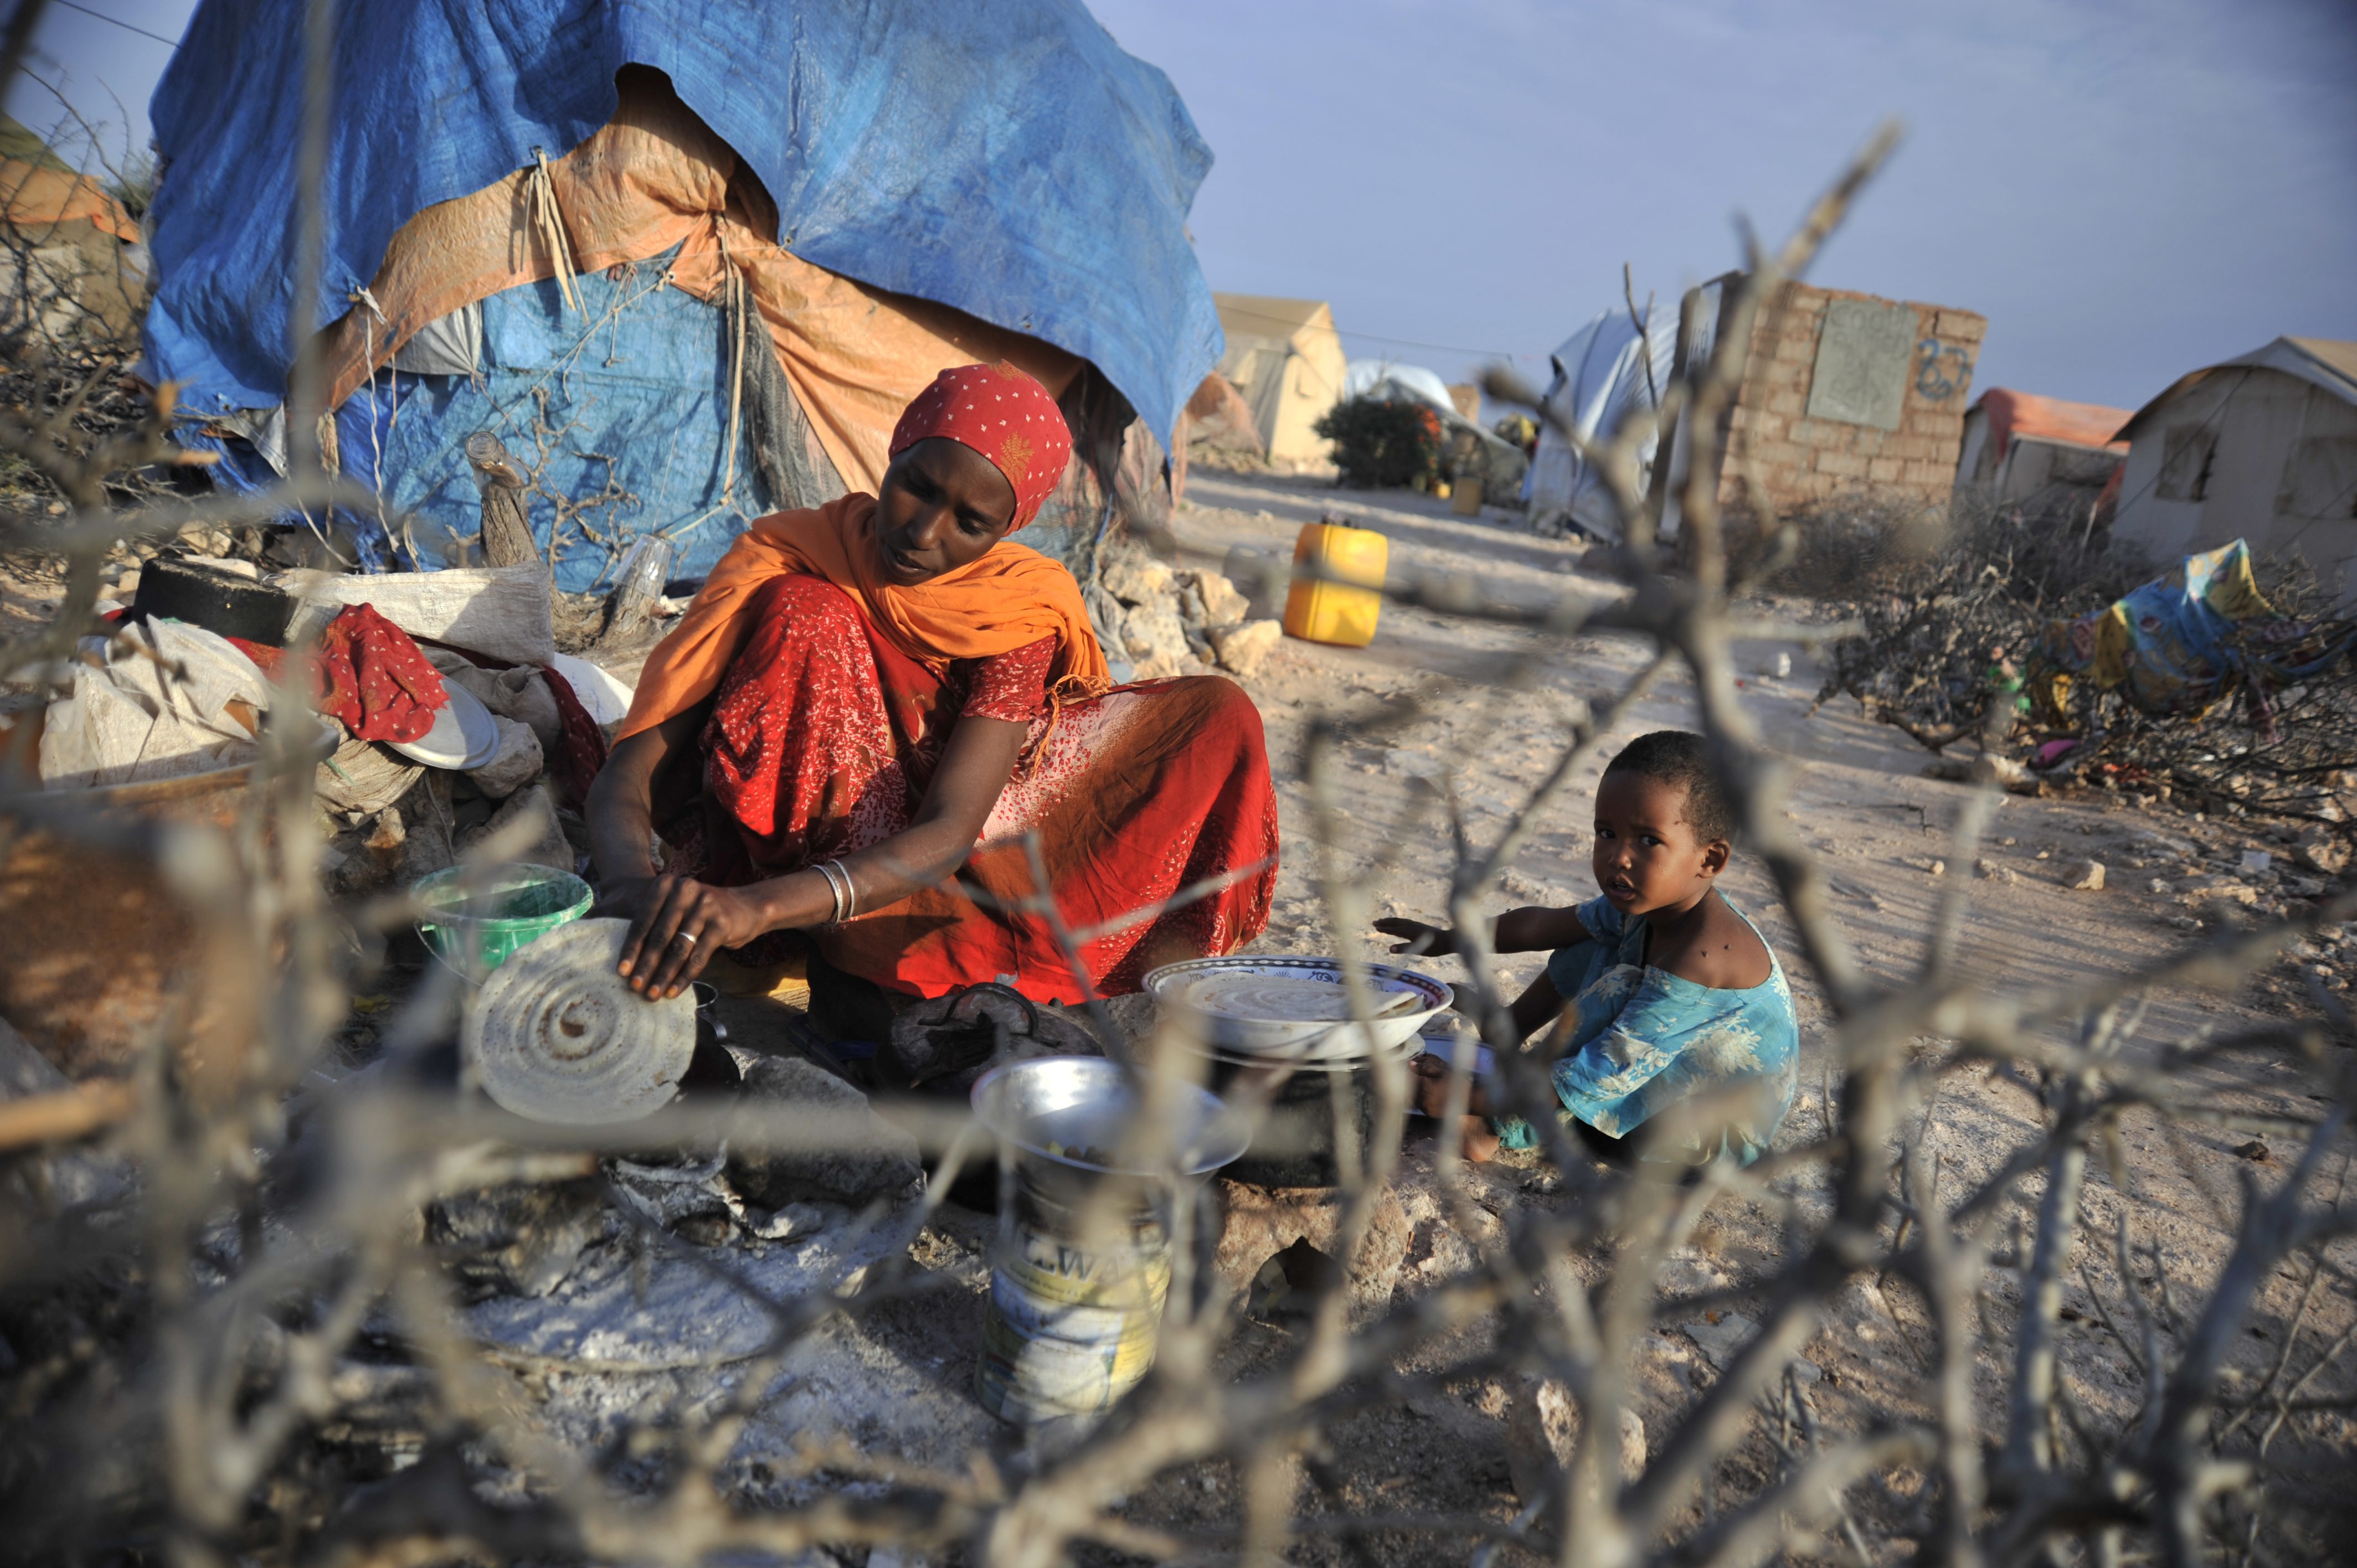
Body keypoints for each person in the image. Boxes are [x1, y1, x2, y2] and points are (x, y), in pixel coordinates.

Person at [586, 361, 1278, 1014]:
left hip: (941, 851)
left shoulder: (1013, 608)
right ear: (893, 454)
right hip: (801, 852)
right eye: (916, 487)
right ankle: (803, 935)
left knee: (1215, 715)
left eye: (969, 523)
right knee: (809, 611)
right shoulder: (791, 555)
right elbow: (637, 763)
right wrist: (627, 887)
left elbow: (951, 829)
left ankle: (857, 936)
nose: (921, 532)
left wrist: (756, 909)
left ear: (1006, 530)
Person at [1373, 730, 1796, 1168]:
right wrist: (1445, 940)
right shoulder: (1649, 908)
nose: (1619, 857)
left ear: (1709, 860)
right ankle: (1506, 1037)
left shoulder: (1702, 960)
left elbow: (1599, 1074)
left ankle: (1488, 1129)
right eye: (1607, 833)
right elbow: (1539, 927)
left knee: (1617, 987)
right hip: (1650, 1086)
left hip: (1697, 1142)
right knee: (1590, 943)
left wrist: (1470, 1097)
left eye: (1648, 840)